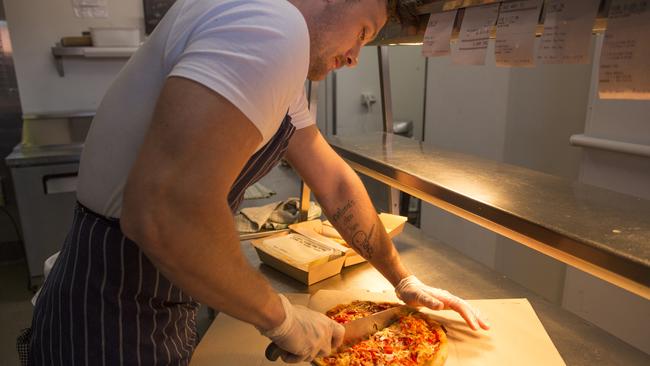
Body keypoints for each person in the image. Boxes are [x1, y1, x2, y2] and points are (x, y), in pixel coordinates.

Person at [28, 0, 489, 364]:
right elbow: (163, 212)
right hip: (112, 316)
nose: (353, 57)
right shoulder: (270, 24)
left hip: (147, 294)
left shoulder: (268, 38)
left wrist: (403, 280)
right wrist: (283, 319)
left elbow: (334, 182)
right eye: (363, 32)